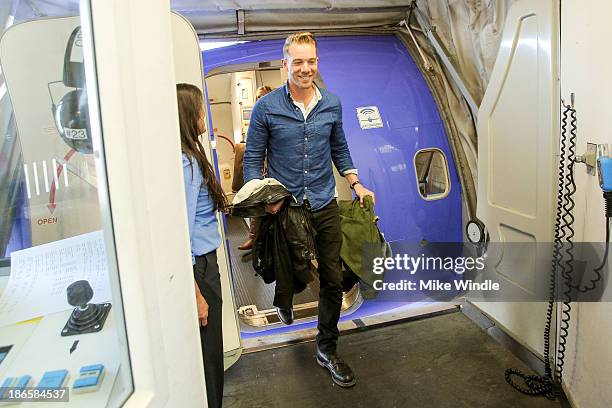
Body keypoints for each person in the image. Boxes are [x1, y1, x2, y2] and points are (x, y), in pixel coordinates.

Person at [243, 32, 375, 388]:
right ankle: (283, 298)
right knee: (294, 273)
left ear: (317, 63)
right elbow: (253, 160)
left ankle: (327, 348)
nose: (305, 69)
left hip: (323, 201)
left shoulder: (331, 104)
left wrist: (355, 181)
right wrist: (263, 196)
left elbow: (340, 148)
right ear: (285, 63)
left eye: (311, 61)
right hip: (285, 207)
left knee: (332, 277)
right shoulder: (266, 108)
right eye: (298, 62)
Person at [176, 83, 227, 407]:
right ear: (189, 116)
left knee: (210, 354)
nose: (204, 113)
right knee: (209, 357)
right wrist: (195, 293)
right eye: (200, 108)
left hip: (203, 263)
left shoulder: (190, 155)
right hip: (199, 268)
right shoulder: (186, 163)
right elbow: (180, 231)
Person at [237, 85, 273, 251]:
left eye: (263, 97)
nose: (260, 100)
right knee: (256, 202)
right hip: (260, 170)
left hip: (273, 170)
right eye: (258, 97)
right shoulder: (256, 118)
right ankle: (253, 237)